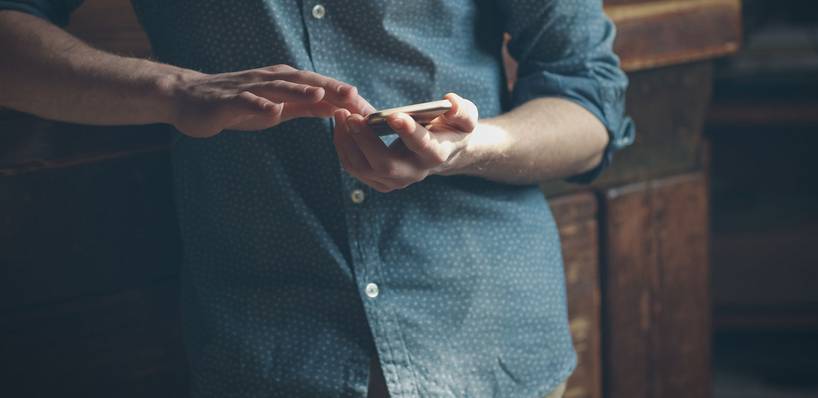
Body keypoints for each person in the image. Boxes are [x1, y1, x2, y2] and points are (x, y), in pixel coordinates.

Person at [0, 1, 634, 397]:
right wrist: (174, 90)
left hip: (486, 333)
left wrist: (474, 145)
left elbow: (590, 102)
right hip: (266, 351)